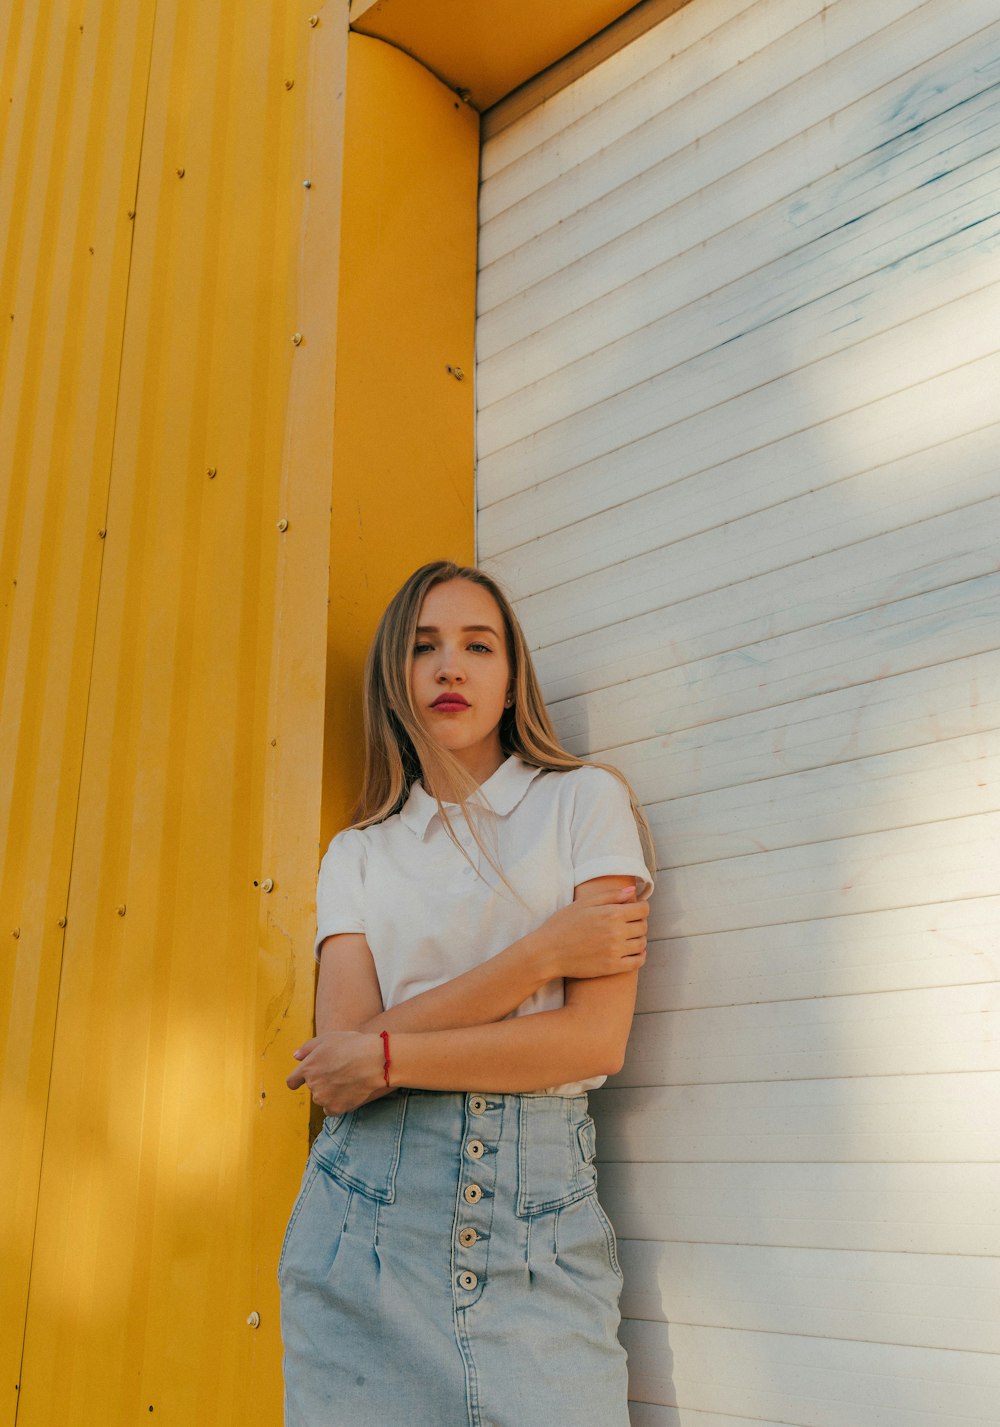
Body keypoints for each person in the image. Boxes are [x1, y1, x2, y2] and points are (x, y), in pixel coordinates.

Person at [280, 559, 656, 1427]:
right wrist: (538, 957)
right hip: (365, 1230)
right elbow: (339, 1074)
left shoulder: (584, 803)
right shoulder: (360, 853)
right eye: (424, 647)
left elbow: (592, 1041)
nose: (451, 667)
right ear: (395, 680)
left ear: (511, 673)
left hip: (540, 1231)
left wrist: (385, 1053)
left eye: (477, 645)